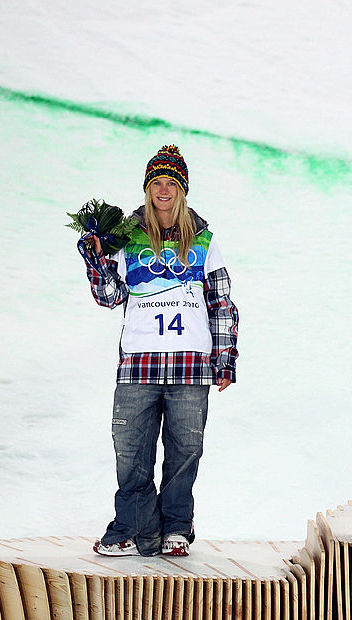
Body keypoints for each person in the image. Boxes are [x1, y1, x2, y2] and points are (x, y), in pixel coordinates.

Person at [83, 144, 239, 557]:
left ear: (182, 190)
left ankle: (175, 529)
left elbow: (220, 301)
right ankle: (133, 528)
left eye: (171, 183)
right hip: (139, 364)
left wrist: (224, 359)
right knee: (131, 451)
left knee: (185, 451)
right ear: (148, 187)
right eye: (157, 183)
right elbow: (111, 295)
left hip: (191, 365)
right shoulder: (127, 235)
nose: (164, 190)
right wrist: (97, 261)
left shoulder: (203, 237)